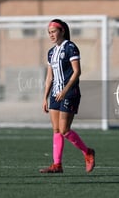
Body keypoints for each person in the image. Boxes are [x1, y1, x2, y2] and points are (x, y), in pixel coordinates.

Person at [40, 19, 95, 174]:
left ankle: (88, 152)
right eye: (49, 32)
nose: (51, 35)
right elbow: (49, 76)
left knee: (64, 130)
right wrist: (45, 97)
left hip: (69, 93)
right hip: (54, 95)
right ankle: (57, 165)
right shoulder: (51, 52)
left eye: (53, 31)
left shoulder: (70, 47)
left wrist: (64, 90)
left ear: (62, 31)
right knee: (56, 130)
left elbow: (77, 71)